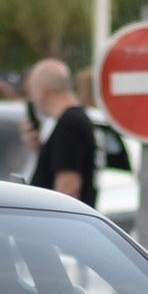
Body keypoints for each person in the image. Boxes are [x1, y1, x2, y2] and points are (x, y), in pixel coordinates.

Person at [21, 58, 96, 206]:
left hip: (64, 224)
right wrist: (40, 149)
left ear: (42, 90)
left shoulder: (69, 124)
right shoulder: (78, 118)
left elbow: (68, 188)